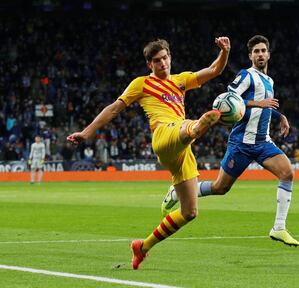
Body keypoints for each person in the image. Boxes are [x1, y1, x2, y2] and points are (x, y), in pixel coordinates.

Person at [67, 37, 231, 269]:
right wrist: (87, 132)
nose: (162, 63)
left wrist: (225, 51)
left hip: (183, 151)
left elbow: (215, 69)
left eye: (165, 58)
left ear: (170, 57)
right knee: (186, 127)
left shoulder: (181, 81)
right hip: (164, 137)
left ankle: (142, 247)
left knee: (190, 212)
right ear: (149, 65)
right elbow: (114, 108)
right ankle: (197, 126)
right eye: (156, 61)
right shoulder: (141, 84)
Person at [162, 35, 299, 247]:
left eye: (263, 51)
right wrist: (259, 103)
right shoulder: (246, 75)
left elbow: (265, 108)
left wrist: (279, 116)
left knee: (288, 173)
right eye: (256, 51)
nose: (260, 54)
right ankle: (178, 191)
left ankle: (279, 228)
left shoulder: (269, 81)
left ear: (269, 54)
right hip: (241, 144)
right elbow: (228, 100)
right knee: (220, 187)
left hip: (263, 142)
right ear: (250, 56)